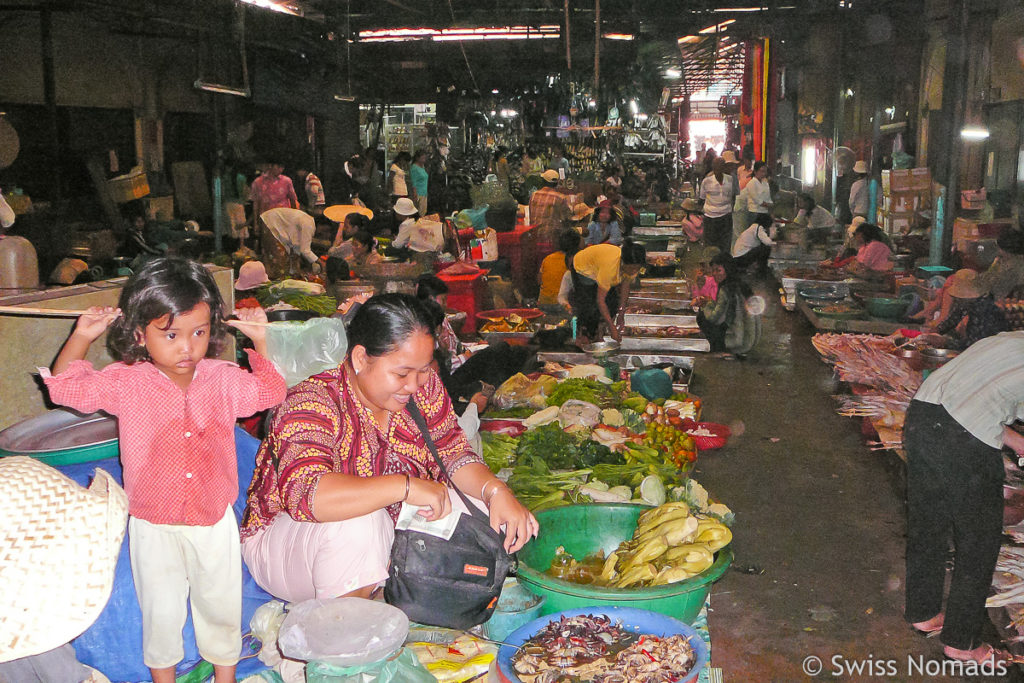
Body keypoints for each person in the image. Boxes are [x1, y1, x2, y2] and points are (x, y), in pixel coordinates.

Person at [41, 257, 287, 683]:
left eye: (199, 332)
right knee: (161, 610)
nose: (186, 348)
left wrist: (261, 342)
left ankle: (225, 678)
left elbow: (268, 391)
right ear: (140, 333)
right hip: (152, 522)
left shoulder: (222, 379)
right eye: (169, 334)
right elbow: (65, 387)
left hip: (213, 520)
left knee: (221, 606)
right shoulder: (127, 382)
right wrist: (81, 336)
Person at [240, 294, 538, 604]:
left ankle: (398, 595)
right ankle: (344, 631)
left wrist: (495, 491)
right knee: (360, 525)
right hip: (292, 543)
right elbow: (310, 496)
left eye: (423, 370)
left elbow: (452, 451)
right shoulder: (312, 401)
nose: (414, 385)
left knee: (483, 514)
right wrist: (405, 487)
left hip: (386, 532)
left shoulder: (424, 386)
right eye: (401, 374)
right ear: (359, 359)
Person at [904, 331, 1024, 666]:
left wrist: (1014, 442)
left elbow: (977, 402)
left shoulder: (1010, 340)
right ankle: (962, 642)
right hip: (962, 440)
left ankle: (922, 612)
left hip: (923, 417)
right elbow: (974, 415)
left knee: (929, 525)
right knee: (979, 542)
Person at [569, 239, 646, 343]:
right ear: (623, 263)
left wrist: (621, 314)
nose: (634, 271)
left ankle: (600, 332)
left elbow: (625, 286)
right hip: (583, 266)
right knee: (590, 305)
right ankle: (584, 335)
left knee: (613, 303)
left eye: (637, 268)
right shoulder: (610, 268)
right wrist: (611, 326)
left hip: (600, 265)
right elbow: (600, 301)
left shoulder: (632, 264)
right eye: (632, 268)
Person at [920, 269, 1008, 350]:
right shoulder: (965, 302)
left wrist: (945, 342)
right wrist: (937, 330)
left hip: (993, 349)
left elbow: (972, 344)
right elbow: (953, 317)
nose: (955, 299)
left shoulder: (984, 310)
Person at [693, 252, 760, 357]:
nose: (715, 274)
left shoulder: (726, 289)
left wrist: (705, 305)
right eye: (713, 270)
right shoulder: (741, 284)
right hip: (750, 340)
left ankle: (719, 349)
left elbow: (714, 318)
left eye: (718, 270)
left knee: (701, 317)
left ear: (728, 270)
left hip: (738, 342)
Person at [259, 207, 320, 279]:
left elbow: (296, 246)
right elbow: (305, 251)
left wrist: (296, 269)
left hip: (272, 221)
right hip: (270, 221)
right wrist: (320, 262)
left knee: (285, 261)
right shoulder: (309, 224)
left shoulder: (307, 221)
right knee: (278, 261)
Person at [698, 156, 735, 255]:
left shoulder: (731, 180)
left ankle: (723, 266)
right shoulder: (707, 181)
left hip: (726, 216)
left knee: (725, 245)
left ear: (724, 167)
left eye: (721, 166)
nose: (719, 169)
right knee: (710, 245)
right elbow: (701, 199)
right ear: (713, 167)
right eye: (716, 166)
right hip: (710, 217)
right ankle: (710, 266)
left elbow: (734, 197)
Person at [538, 229, 582, 309]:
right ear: (577, 245)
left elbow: (539, 280)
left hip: (543, 303)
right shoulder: (574, 260)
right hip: (562, 306)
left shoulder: (548, 258)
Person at [250, 159, 299, 230]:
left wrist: (295, 219)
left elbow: (293, 200)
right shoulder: (258, 182)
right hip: (266, 220)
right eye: (278, 167)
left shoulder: (286, 181)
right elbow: (256, 204)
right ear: (270, 166)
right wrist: (256, 223)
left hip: (283, 220)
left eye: (282, 167)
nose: (280, 170)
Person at [529, 169, 573, 245]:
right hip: (552, 240)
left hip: (534, 238)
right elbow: (567, 218)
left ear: (543, 181)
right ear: (557, 183)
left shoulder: (534, 195)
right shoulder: (560, 197)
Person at [732, 212, 775, 278]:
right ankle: (762, 271)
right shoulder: (758, 228)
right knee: (765, 249)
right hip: (741, 258)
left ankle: (759, 269)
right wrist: (775, 241)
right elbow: (768, 242)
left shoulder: (753, 227)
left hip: (737, 257)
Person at [410, 149, 429, 216]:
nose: (424, 159)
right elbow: (414, 182)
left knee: (423, 212)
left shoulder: (422, 167)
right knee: (419, 213)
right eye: (422, 158)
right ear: (417, 158)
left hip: (424, 193)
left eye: (425, 158)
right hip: (418, 193)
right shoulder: (414, 168)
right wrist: (415, 194)